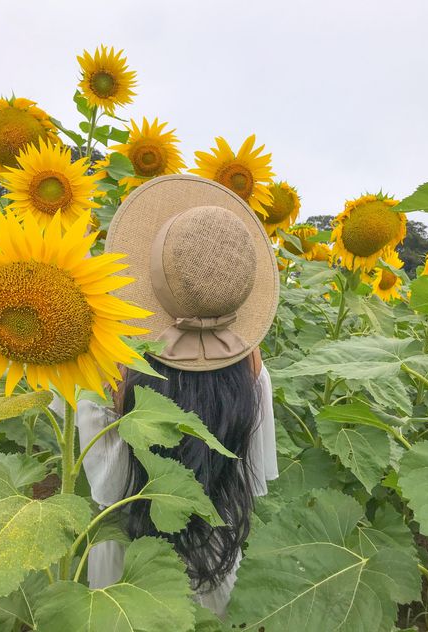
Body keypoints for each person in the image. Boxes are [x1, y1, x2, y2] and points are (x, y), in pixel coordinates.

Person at [76, 174, 280, 618]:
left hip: (122, 577)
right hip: (215, 564)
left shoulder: (107, 376)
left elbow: (105, 490)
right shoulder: (253, 375)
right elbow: (256, 479)